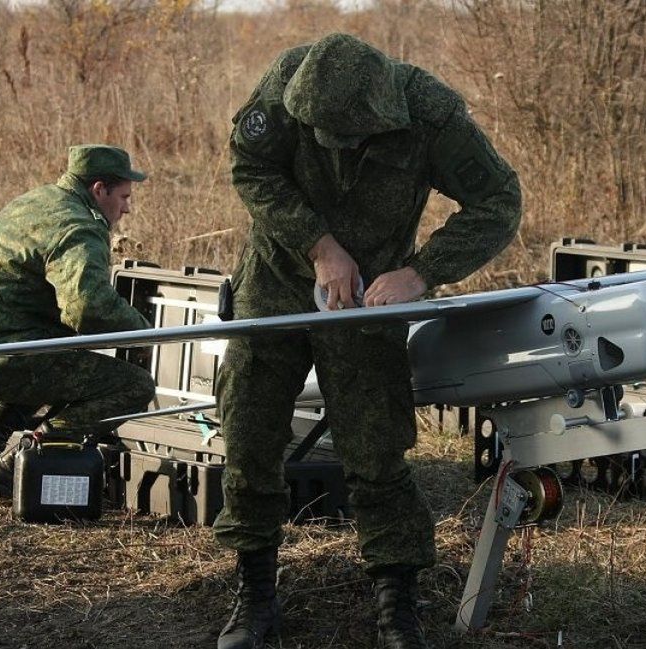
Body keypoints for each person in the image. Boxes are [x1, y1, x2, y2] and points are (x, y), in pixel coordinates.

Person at [215, 33, 522, 649]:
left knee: (376, 450)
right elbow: (250, 166)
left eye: (348, 139)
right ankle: (254, 597)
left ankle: (395, 605)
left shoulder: (428, 114)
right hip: (276, 281)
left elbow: (498, 201)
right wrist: (318, 245)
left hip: (371, 299)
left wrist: (421, 273)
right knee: (249, 434)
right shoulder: (285, 88)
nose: (335, 148)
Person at [0, 144, 156, 496]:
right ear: (99, 189)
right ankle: (13, 464)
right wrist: (146, 333)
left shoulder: (37, 201)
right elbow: (87, 308)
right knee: (134, 386)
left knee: (48, 353)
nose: (126, 208)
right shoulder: (80, 227)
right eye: (123, 196)